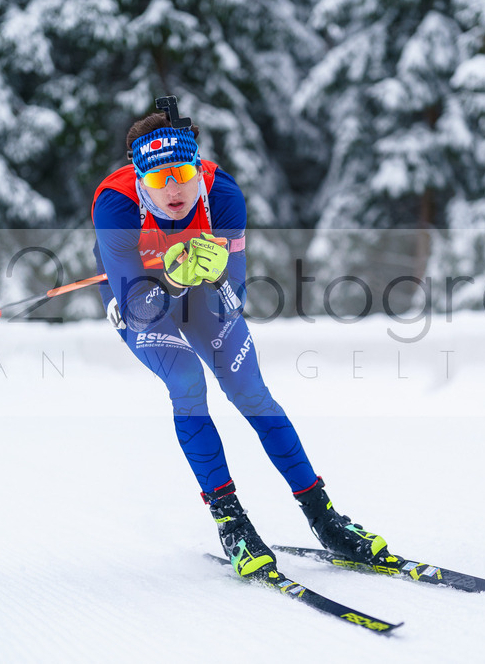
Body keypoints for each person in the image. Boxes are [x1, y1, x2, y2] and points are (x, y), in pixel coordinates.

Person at [90, 96, 390, 579]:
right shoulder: (116, 204)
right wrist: (169, 280)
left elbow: (233, 296)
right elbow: (138, 303)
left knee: (252, 393)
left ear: (197, 167)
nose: (175, 190)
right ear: (140, 179)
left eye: (184, 174)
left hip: (201, 293)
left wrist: (216, 277)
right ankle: (231, 522)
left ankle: (324, 517)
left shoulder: (221, 193)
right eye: (159, 180)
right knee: (187, 382)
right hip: (141, 296)